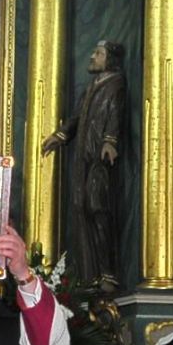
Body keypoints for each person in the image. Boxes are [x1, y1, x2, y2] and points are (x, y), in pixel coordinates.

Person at [42, 39, 127, 288]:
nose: (92, 56)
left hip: (100, 157)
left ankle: (107, 272)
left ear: (110, 59)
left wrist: (110, 141)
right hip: (84, 156)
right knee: (81, 207)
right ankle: (90, 274)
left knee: (98, 207)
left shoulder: (115, 83)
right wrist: (61, 135)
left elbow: (116, 112)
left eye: (98, 53)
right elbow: (78, 116)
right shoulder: (93, 85)